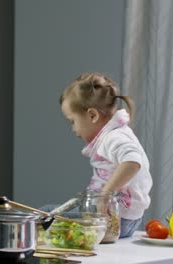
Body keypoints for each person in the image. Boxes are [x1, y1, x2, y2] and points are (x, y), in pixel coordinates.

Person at [59, 72, 152, 238]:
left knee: (47, 215)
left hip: (114, 220)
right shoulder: (116, 134)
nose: (73, 129)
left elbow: (133, 161)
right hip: (125, 219)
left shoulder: (113, 137)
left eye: (73, 121)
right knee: (51, 213)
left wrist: (106, 195)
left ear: (92, 115)